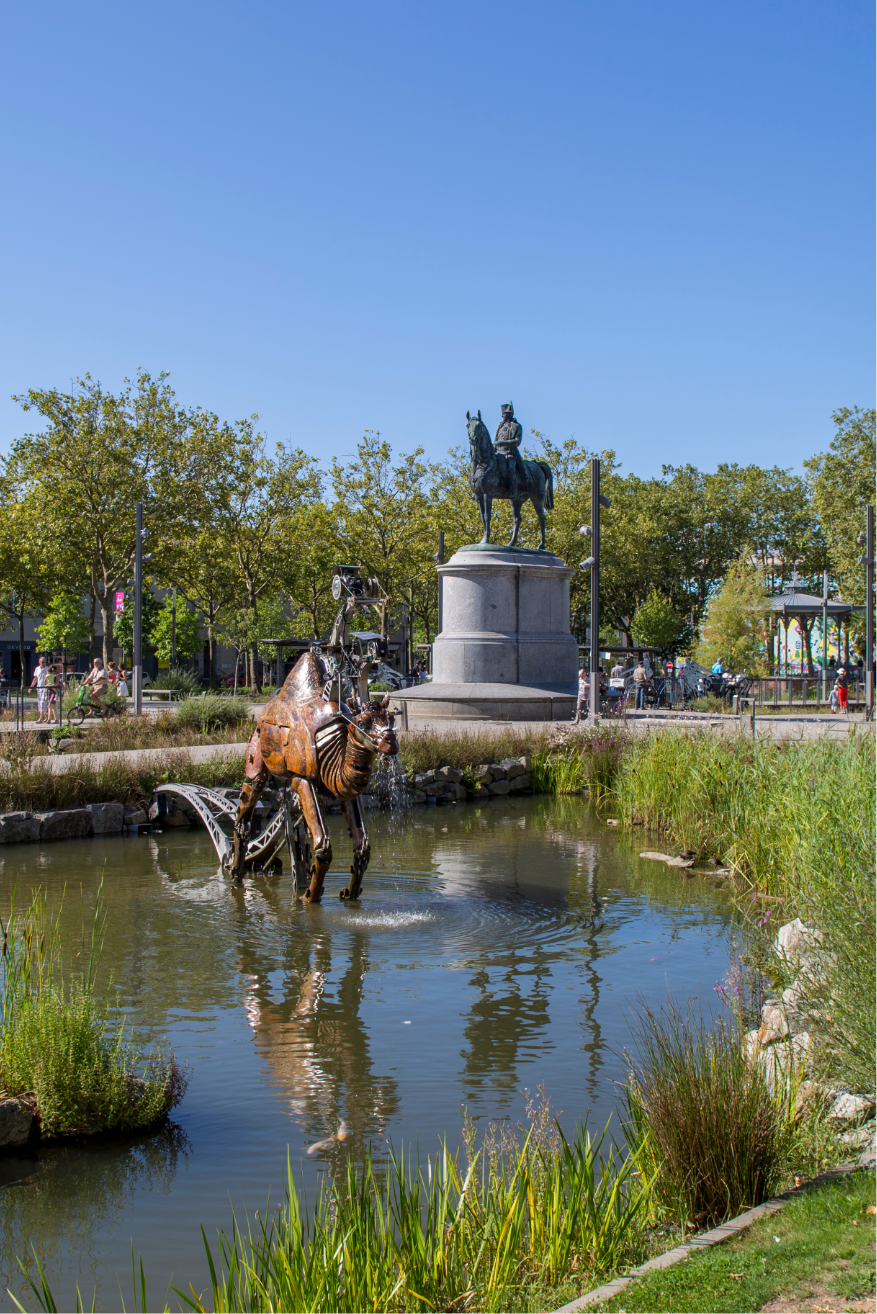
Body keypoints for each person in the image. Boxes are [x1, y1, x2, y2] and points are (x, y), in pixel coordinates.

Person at [494, 402, 526, 501]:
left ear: (510, 414)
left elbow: (517, 441)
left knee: (511, 468)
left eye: (505, 414)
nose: (503, 416)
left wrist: (503, 442)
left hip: (510, 453)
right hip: (498, 453)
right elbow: (496, 439)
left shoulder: (517, 426)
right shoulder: (500, 426)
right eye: (503, 414)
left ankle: (514, 490)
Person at [30, 655, 50, 723]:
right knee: (39, 703)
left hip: (45, 688)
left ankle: (41, 718)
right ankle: (46, 717)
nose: (44, 663)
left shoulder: (47, 669)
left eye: (45, 662)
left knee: (43, 703)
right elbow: (35, 678)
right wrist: (31, 687)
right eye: (42, 662)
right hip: (39, 688)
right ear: (39, 662)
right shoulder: (37, 669)